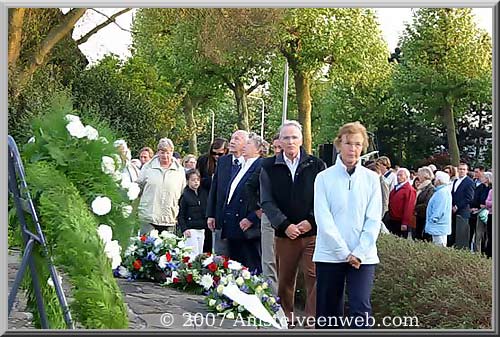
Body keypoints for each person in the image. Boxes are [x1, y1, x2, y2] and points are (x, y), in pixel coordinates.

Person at [313, 121, 382, 329]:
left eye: (358, 144)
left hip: (363, 257)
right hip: (329, 254)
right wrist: (344, 252)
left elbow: (373, 219)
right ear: (338, 145)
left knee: (360, 308)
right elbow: (323, 219)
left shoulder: (371, 179)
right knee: (328, 311)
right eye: (348, 143)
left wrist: (359, 252)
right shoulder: (323, 178)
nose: (353, 149)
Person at [260, 120, 326, 326]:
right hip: (284, 234)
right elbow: (266, 201)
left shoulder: (316, 165)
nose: (290, 141)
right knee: (285, 280)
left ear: (302, 140)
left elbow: (323, 198)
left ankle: (311, 319)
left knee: (314, 277)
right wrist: (285, 225)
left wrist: (310, 221)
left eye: (294, 137)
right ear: (279, 141)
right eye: (286, 137)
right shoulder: (268, 167)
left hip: (312, 234)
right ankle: (287, 316)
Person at [221, 133, 265, 273]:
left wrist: (252, 217)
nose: (244, 146)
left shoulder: (260, 166)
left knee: (250, 263)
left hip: (247, 226)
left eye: (248, 144)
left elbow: (261, 195)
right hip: (233, 224)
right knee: (235, 263)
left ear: (258, 149)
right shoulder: (242, 166)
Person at [207, 131, 248, 256]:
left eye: (237, 139)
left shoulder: (250, 163)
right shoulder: (223, 161)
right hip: (221, 218)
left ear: (246, 144)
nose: (232, 141)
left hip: (241, 220)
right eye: (232, 138)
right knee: (220, 256)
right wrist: (211, 214)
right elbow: (214, 188)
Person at [136, 138, 186, 234]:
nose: (165, 155)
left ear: (172, 152)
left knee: (167, 248)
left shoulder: (179, 170)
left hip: (169, 217)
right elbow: (138, 188)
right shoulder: (147, 167)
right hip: (148, 216)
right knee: (146, 246)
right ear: (158, 152)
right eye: (162, 152)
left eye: (168, 152)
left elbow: (182, 192)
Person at [197, 138, 228, 252]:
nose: (216, 156)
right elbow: (198, 178)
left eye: (220, 153)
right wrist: (212, 180)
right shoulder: (203, 160)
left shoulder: (227, 162)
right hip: (206, 196)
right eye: (214, 153)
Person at [178, 169, 208, 258]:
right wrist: (184, 229)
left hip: (201, 228)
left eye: (197, 180)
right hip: (191, 229)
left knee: (200, 253)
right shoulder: (185, 196)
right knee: (192, 254)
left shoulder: (203, 193)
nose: (196, 182)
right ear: (187, 181)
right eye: (193, 180)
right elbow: (181, 214)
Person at [449, 162, 475, 249]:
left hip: (463, 211)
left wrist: (457, 206)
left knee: (461, 236)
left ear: (467, 171)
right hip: (453, 211)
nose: (461, 171)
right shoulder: (455, 181)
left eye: (464, 169)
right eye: (460, 169)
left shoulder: (469, 182)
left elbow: (469, 198)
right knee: (453, 234)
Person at [424, 171, 452, 247]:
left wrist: (432, 220)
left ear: (439, 181)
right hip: (439, 226)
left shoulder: (442, 192)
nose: (434, 180)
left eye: (436, 179)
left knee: (439, 246)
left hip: (438, 226)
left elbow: (439, 210)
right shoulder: (442, 191)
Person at [388, 168, 416, 239]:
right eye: (397, 175)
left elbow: (408, 207)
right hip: (392, 219)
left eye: (401, 175)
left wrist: (405, 222)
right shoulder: (396, 188)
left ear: (406, 177)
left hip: (400, 221)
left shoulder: (409, 190)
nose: (398, 177)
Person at [472, 172, 492, 254]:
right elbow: (476, 198)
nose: (481, 178)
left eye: (483, 177)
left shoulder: (491, 189)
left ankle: (486, 252)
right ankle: (477, 252)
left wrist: (487, 204)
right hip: (480, 212)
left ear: (487, 179)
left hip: (489, 213)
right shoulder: (480, 187)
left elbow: (488, 202)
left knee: (488, 235)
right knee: (478, 233)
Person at [413, 166, 435, 241]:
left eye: (419, 174)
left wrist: (414, 208)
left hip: (424, 217)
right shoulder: (420, 187)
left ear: (425, 176)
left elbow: (427, 203)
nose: (418, 176)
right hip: (418, 217)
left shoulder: (430, 188)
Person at [484, 175, 493, 258]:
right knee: (490, 235)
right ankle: (489, 254)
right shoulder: (491, 191)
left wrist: (490, 203)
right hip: (491, 215)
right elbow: (487, 203)